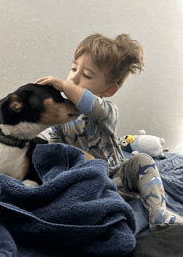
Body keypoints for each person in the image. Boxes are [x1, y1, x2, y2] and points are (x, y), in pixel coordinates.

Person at [35, 33, 183, 230]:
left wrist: (63, 85)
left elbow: (88, 102)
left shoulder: (106, 111)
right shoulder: (62, 117)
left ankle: (159, 212)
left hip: (116, 173)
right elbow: (55, 146)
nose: (74, 78)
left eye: (86, 75)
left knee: (143, 161)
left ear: (109, 90)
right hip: (85, 176)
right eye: (73, 68)